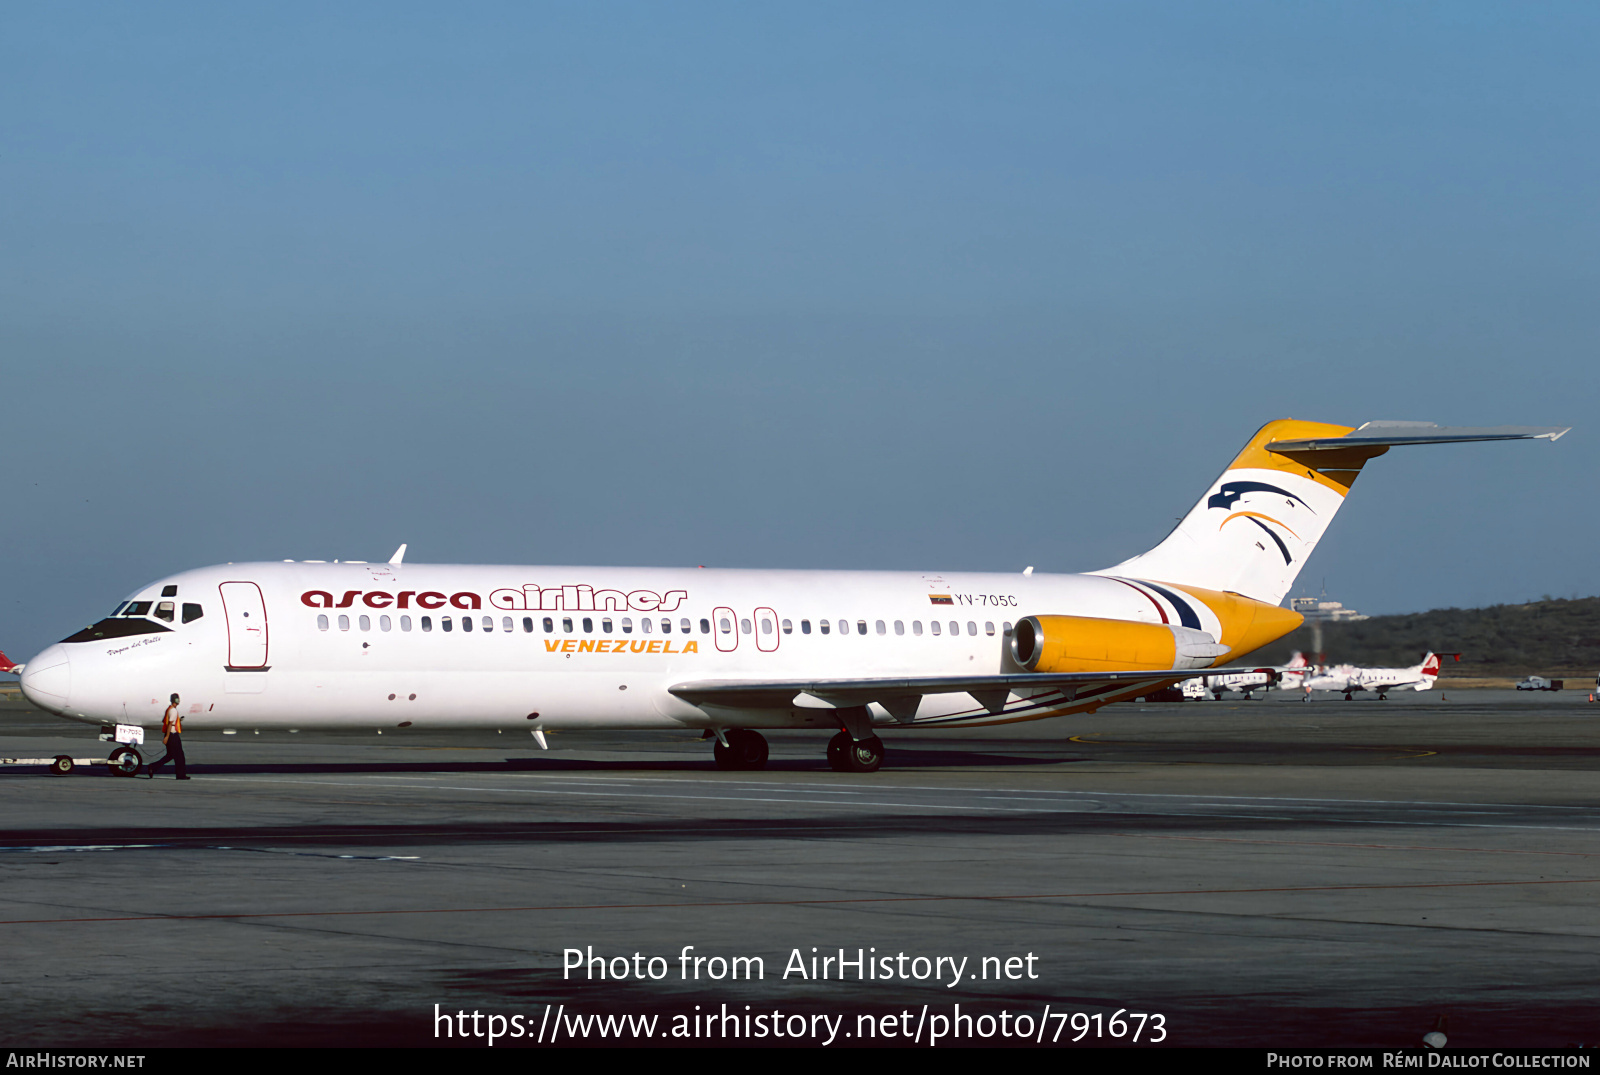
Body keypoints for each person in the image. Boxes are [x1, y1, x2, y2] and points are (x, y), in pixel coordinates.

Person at [146, 693, 189, 779]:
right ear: (176, 701)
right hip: (172, 735)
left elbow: (165, 720)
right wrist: (167, 737)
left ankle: (153, 767)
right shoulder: (173, 711)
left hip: (170, 734)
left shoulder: (169, 709)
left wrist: (177, 720)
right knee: (179, 756)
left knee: (170, 755)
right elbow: (170, 724)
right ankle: (180, 775)